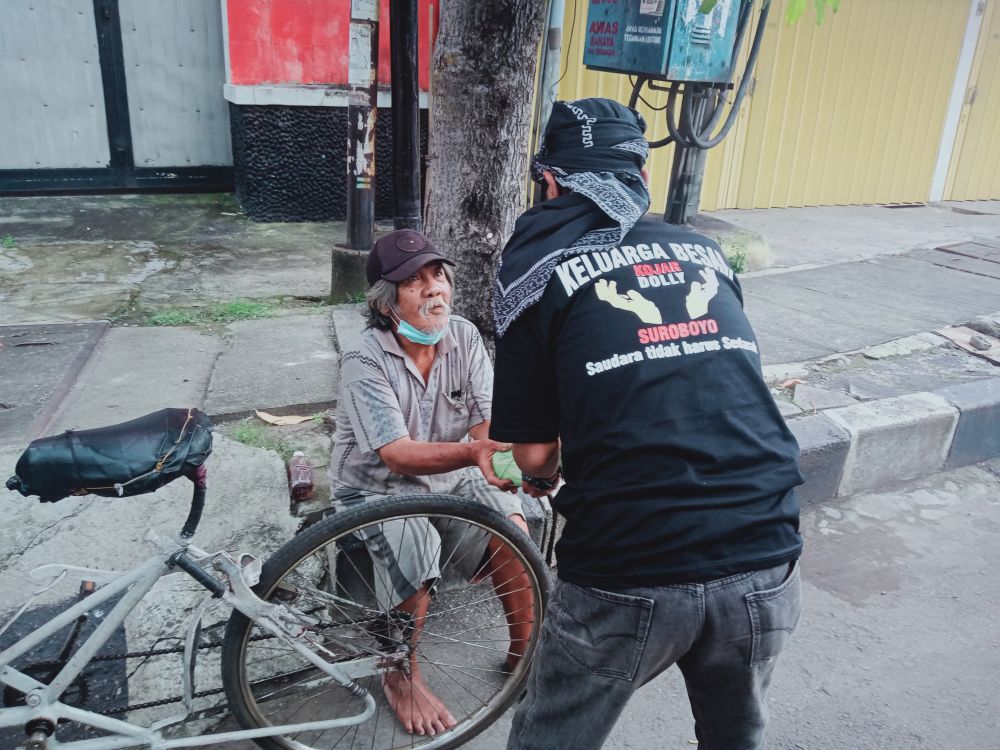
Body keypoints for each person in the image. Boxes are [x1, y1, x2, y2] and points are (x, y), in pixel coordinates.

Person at [490, 98, 804, 750]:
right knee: (736, 739)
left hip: (629, 562)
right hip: (766, 541)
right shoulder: (707, 253)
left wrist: (550, 472)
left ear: (549, 183)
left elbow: (530, 455)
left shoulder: (536, 268)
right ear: (641, 182)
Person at [328, 228, 533, 737]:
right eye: (415, 282)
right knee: (416, 545)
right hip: (374, 487)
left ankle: (525, 653)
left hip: (450, 473)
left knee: (514, 524)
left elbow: (488, 423)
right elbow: (396, 456)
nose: (434, 289)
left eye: (438, 276)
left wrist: (502, 470)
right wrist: (472, 452)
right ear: (385, 301)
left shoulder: (464, 336)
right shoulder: (364, 359)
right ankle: (400, 675)